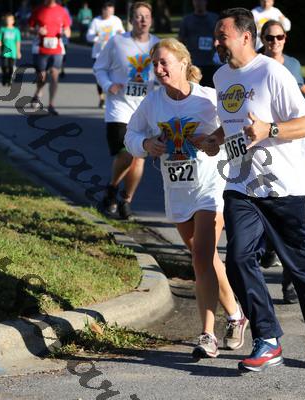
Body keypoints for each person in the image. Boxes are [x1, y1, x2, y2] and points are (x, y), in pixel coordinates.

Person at [196, 7, 305, 372]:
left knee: (300, 269)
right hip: (241, 184)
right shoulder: (221, 76)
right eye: (217, 36)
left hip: (283, 187)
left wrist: (269, 129)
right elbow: (233, 123)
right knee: (238, 259)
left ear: (245, 37)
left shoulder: (273, 72)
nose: (216, 42)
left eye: (222, 36)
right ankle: (267, 338)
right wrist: (216, 138)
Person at [125, 38, 248, 358]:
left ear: (183, 63)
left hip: (211, 187)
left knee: (202, 257)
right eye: (154, 64)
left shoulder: (208, 98)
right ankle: (236, 315)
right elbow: (131, 135)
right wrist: (146, 145)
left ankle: (207, 334)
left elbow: (236, 127)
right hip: (178, 190)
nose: (158, 68)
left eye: (164, 62)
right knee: (205, 257)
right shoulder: (153, 102)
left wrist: (214, 142)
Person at [258, 19, 305, 304]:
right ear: (262, 39)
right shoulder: (255, 66)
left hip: (296, 148)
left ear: (285, 38)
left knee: (296, 215)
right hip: (267, 151)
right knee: (270, 204)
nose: (275, 42)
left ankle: (290, 282)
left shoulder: (292, 64)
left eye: (279, 37)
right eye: (270, 38)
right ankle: (269, 242)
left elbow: (301, 91)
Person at [93, 2, 159, 220]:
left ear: (151, 19)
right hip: (119, 108)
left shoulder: (158, 45)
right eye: (138, 16)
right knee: (127, 154)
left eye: (146, 16)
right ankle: (112, 187)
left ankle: (125, 200)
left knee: (139, 158)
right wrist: (108, 85)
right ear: (131, 20)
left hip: (144, 109)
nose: (143, 20)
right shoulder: (117, 42)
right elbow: (99, 68)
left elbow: (164, 72)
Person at [28, 0, 71, 116]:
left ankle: (51, 104)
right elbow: (29, 28)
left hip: (57, 49)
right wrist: (37, 30)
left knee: (54, 74)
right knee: (42, 76)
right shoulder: (38, 10)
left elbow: (68, 29)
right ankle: (38, 92)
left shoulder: (62, 11)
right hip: (40, 48)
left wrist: (66, 33)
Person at [86, 1, 124, 108]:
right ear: (103, 10)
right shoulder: (96, 21)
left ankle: (110, 98)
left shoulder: (116, 20)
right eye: (108, 11)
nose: (110, 13)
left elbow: (123, 33)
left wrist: (121, 34)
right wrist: (97, 37)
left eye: (112, 11)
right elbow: (88, 37)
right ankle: (101, 98)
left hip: (113, 54)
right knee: (99, 77)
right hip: (98, 54)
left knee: (112, 77)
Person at [178, 0, 219, 88]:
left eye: (201, 0)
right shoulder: (187, 20)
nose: (199, 3)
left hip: (211, 63)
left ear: (206, 1)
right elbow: (180, 41)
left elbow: (220, 37)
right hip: (193, 63)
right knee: (192, 89)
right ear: (193, 2)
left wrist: (217, 43)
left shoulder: (214, 18)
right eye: (196, 0)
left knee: (211, 90)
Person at [0, 13, 21, 86]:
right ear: (5, 21)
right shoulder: (2, 29)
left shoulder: (16, 30)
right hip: (4, 51)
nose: (8, 21)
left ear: (13, 21)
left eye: (10, 20)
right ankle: (4, 77)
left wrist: (18, 52)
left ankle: (10, 79)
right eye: (7, 20)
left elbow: (18, 42)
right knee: (4, 66)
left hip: (13, 52)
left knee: (11, 67)